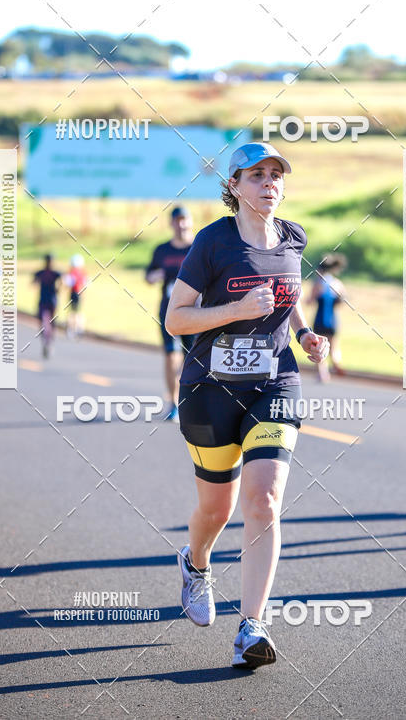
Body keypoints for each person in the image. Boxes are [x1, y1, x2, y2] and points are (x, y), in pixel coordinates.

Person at [165, 142, 329, 669]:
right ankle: (196, 563)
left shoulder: (293, 238)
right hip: (209, 391)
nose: (269, 183)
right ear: (234, 185)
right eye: (256, 174)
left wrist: (304, 334)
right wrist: (234, 308)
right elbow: (176, 319)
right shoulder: (213, 242)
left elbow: (291, 296)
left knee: (264, 499)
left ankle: (252, 626)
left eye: (276, 174)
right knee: (218, 508)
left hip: (273, 384)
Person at [145, 206, 195, 422]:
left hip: (196, 313)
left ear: (190, 221)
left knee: (193, 359)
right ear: (172, 223)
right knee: (170, 355)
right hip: (169, 312)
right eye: (177, 220)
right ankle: (173, 404)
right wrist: (158, 274)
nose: (181, 224)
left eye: (185, 220)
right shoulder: (162, 250)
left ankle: (191, 403)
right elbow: (148, 275)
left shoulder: (198, 247)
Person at [308, 253, 347, 383]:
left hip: (320, 319)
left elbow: (309, 301)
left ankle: (323, 374)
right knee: (334, 346)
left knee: (318, 346)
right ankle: (336, 364)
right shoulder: (337, 283)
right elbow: (342, 300)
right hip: (333, 320)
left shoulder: (318, 283)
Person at [33, 254, 61, 358]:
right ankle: (46, 340)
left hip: (51, 301)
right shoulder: (41, 273)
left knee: (51, 322)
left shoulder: (56, 273)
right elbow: (34, 282)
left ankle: (49, 340)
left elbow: (62, 282)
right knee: (43, 322)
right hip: (44, 300)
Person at [64, 254, 88, 338]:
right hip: (80, 294)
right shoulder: (83, 273)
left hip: (73, 293)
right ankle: (79, 329)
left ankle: (71, 330)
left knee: (72, 312)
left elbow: (67, 284)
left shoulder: (72, 273)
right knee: (78, 312)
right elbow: (86, 284)